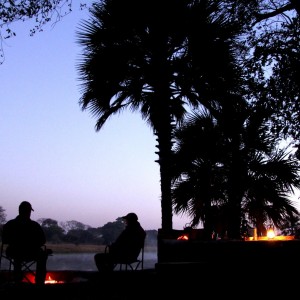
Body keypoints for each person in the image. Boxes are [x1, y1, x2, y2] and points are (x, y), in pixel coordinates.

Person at [2, 201, 51, 285]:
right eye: (28, 211)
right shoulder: (34, 225)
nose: (29, 213)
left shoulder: (10, 224)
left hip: (14, 252)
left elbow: (4, 240)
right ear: (29, 212)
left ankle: (17, 280)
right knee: (42, 255)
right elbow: (43, 240)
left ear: (19, 211)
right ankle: (39, 282)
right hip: (31, 253)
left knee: (17, 257)